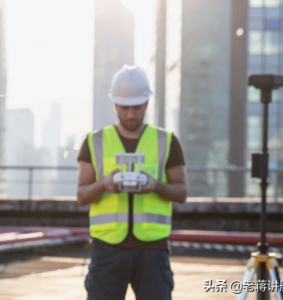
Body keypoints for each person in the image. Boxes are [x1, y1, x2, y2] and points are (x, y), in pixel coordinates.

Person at [76, 65, 188, 300]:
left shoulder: (167, 141)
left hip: (153, 250)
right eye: (125, 108)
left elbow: (181, 193)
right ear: (115, 105)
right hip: (107, 249)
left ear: (146, 104)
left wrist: (155, 185)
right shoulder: (94, 141)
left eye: (136, 108)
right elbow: (82, 196)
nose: (130, 115)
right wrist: (103, 184)